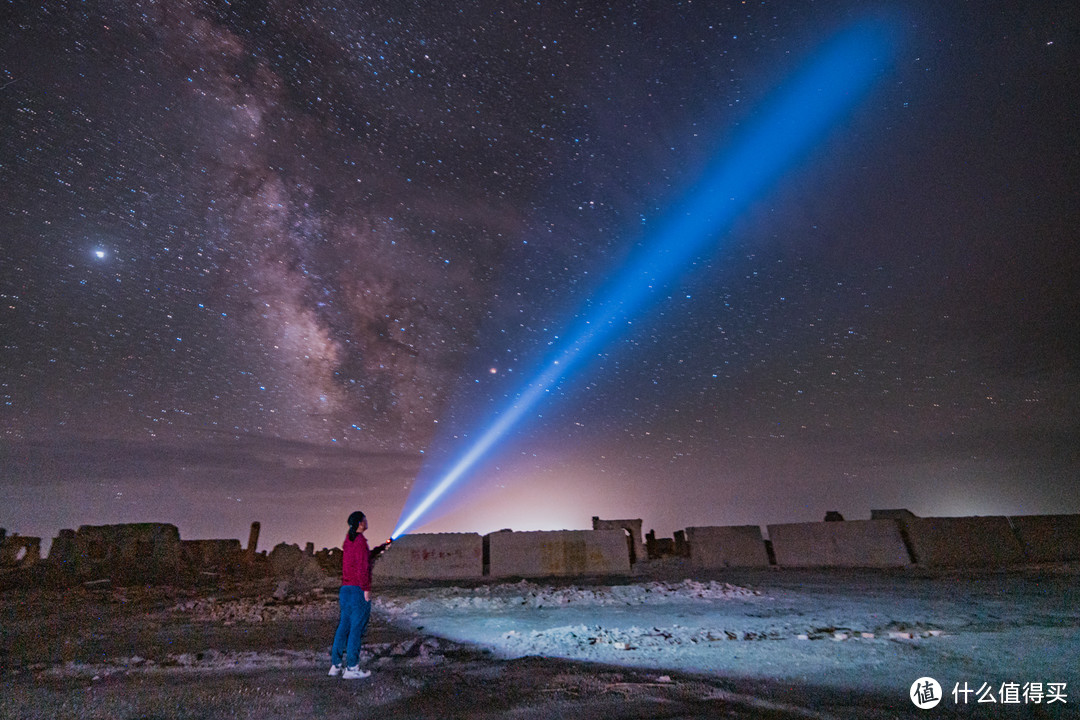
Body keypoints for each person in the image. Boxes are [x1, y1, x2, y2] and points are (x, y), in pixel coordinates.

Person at [328, 510, 373, 679]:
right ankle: (352, 668)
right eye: (365, 519)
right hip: (356, 590)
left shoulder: (348, 540)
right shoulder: (360, 541)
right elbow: (363, 568)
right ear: (361, 523)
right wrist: (366, 589)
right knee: (356, 628)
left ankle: (336, 665)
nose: (367, 522)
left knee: (344, 626)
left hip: (345, 589)